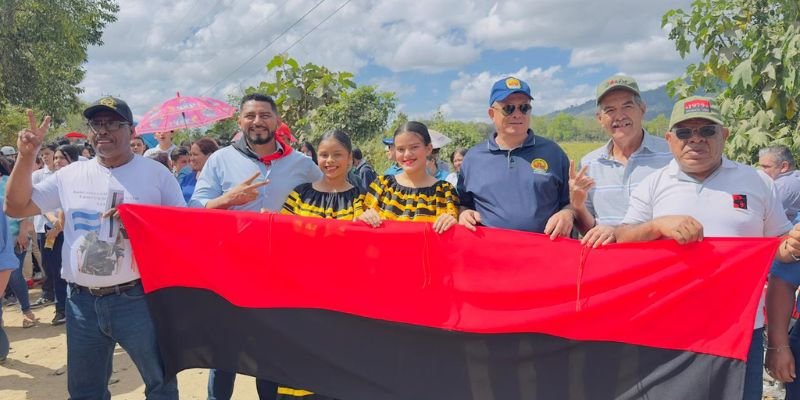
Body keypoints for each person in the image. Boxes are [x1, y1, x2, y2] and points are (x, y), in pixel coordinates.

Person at [613, 96, 800, 400]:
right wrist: (657, 226)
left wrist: (793, 244)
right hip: (668, 331)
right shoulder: (653, 183)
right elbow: (622, 238)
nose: (695, 139)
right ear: (670, 139)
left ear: (724, 135)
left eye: (707, 131)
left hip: (740, 333)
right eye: (685, 133)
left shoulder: (757, 181)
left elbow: (779, 250)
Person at [4, 97, 184, 399]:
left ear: (132, 130)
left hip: (137, 299)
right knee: (86, 391)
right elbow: (16, 207)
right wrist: (26, 156)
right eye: (97, 123)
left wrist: (140, 226)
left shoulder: (156, 175)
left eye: (114, 123)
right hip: (81, 303)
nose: (104, 130)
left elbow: (180, 230)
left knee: (161, 384)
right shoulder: (70, 175)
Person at [191, 93, 321, 400]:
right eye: (250, 115)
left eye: (265, 115)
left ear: (277, 121)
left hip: (282, 274)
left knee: (270, 351)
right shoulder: (220, 160)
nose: (257, 121)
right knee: (225, 352)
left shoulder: (302, 165)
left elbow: (329, 193)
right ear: (240, 122)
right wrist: (227, 199)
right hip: (230, 270)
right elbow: (195, 209)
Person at [457, 76, 573, 238]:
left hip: (544, 253)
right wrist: (464, 213)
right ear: (492, 114)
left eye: (524, 108)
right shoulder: (473, 158)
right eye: (508, 108)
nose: (517, 114)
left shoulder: (553, 153)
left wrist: (567, 213)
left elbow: (571, 202)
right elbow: (463, 203)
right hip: (490, 255)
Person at [570, 75, 672, 247]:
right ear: (599, 119)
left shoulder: (670, 155)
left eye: (627, 106)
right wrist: (578, 206)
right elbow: (589, 230)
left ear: (642, 109)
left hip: (661, 261)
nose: (619, 116)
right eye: (610, 110)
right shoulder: (590, 164)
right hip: (611, 264)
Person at [358, 121, 458, 234]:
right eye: (401, 149)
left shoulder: (444, 193)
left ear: (428, 149)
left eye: (414, 147)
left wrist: (452, 222)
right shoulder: (382, 186)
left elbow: (453, 236)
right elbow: (360, 227)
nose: (407, 154)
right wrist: (364, 217)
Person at [281, 131, 364, 221]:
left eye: (337, 155)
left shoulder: (360, 199)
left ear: (349, 157)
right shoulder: (300, 195)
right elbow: (282, 226)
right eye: (324, 155)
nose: (330, 160)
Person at [30, 143, 58, 309]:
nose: (45, 157)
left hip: (60, 226)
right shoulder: (38, 175)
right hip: (43, 226)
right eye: (43, 154)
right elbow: (35, 200)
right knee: (47, 262)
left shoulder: (62, 173)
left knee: (60, 262)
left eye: (48, 153)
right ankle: (48, 293)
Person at [759, 145, 800, 221]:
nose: (761, 171)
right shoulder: (795, 176)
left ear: (784, 166)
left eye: (766, 167)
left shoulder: (783, 185)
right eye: (760, 166)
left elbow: (760, 215)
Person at [177, 137, 219, 204]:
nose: (191, 159)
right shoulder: (187, 179)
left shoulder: (219, 180)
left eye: (195, 154)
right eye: (191, 155)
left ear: (210, 156)